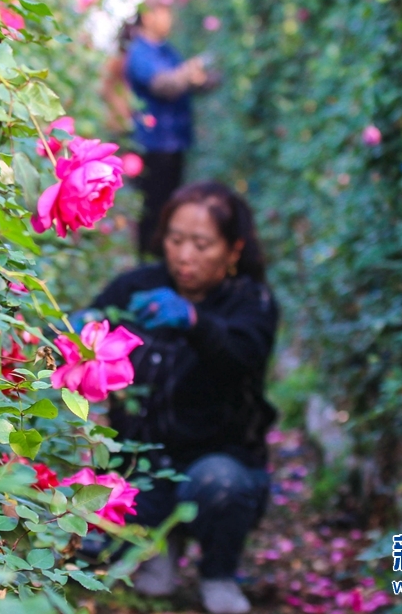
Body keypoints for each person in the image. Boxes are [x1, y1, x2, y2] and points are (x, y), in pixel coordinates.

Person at [77, 181, 278, 614]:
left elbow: (244, 355)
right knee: (100, 551)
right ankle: (158, 548)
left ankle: (219, 572)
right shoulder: (136, 286)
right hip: (141, 463)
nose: (185, 255)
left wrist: (195, 322)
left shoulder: (251, 303)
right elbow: (92, 321)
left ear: (233, 248)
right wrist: (83, 326)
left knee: (220, 485)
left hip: (215, 461)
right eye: (175, 239)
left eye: (202, 244)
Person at [124, 0, 216, 256]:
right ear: (149, 16)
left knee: (169, 208)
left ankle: (161, 262)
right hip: (153, 145)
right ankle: (147, 265)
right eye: (165, 12)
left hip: (173, 142)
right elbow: (164, 84)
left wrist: (202, 78)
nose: (170, 18)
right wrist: (189, 73)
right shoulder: (139, 53)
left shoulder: (166, 50)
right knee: (153, 211)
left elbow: (188, 81)